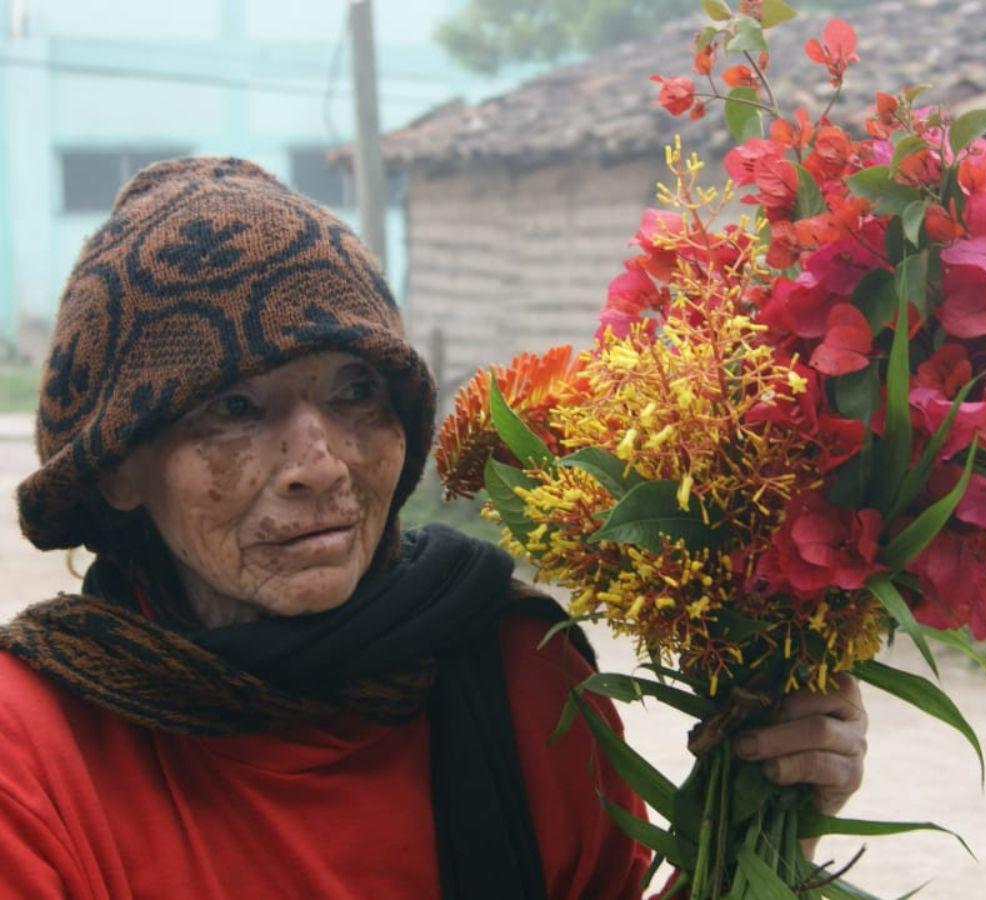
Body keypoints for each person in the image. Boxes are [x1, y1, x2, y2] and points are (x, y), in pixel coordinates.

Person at [0, 158, 868, 899]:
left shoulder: (520, 676)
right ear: (118, 467)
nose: (323, 464)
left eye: (355, 394)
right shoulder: (35, 748)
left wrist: (777, 821)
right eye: (234, 407)